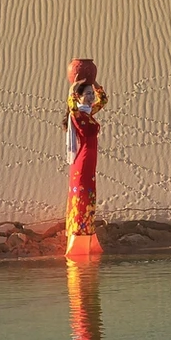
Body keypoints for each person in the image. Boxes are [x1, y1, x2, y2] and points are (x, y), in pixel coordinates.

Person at [64, 59, 108, 258]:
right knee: (81, 196)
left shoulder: (89, 112)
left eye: (91, 94)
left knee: (89, 196)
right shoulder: (78, 115)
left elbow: (104, 101)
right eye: (87, 94)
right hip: (82, 162)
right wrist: (73, 88)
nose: (91, 97)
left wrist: (95, 84)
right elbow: (72, 105)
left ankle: (87, 234)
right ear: (79, 97)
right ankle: (77, 237)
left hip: (90, 162)